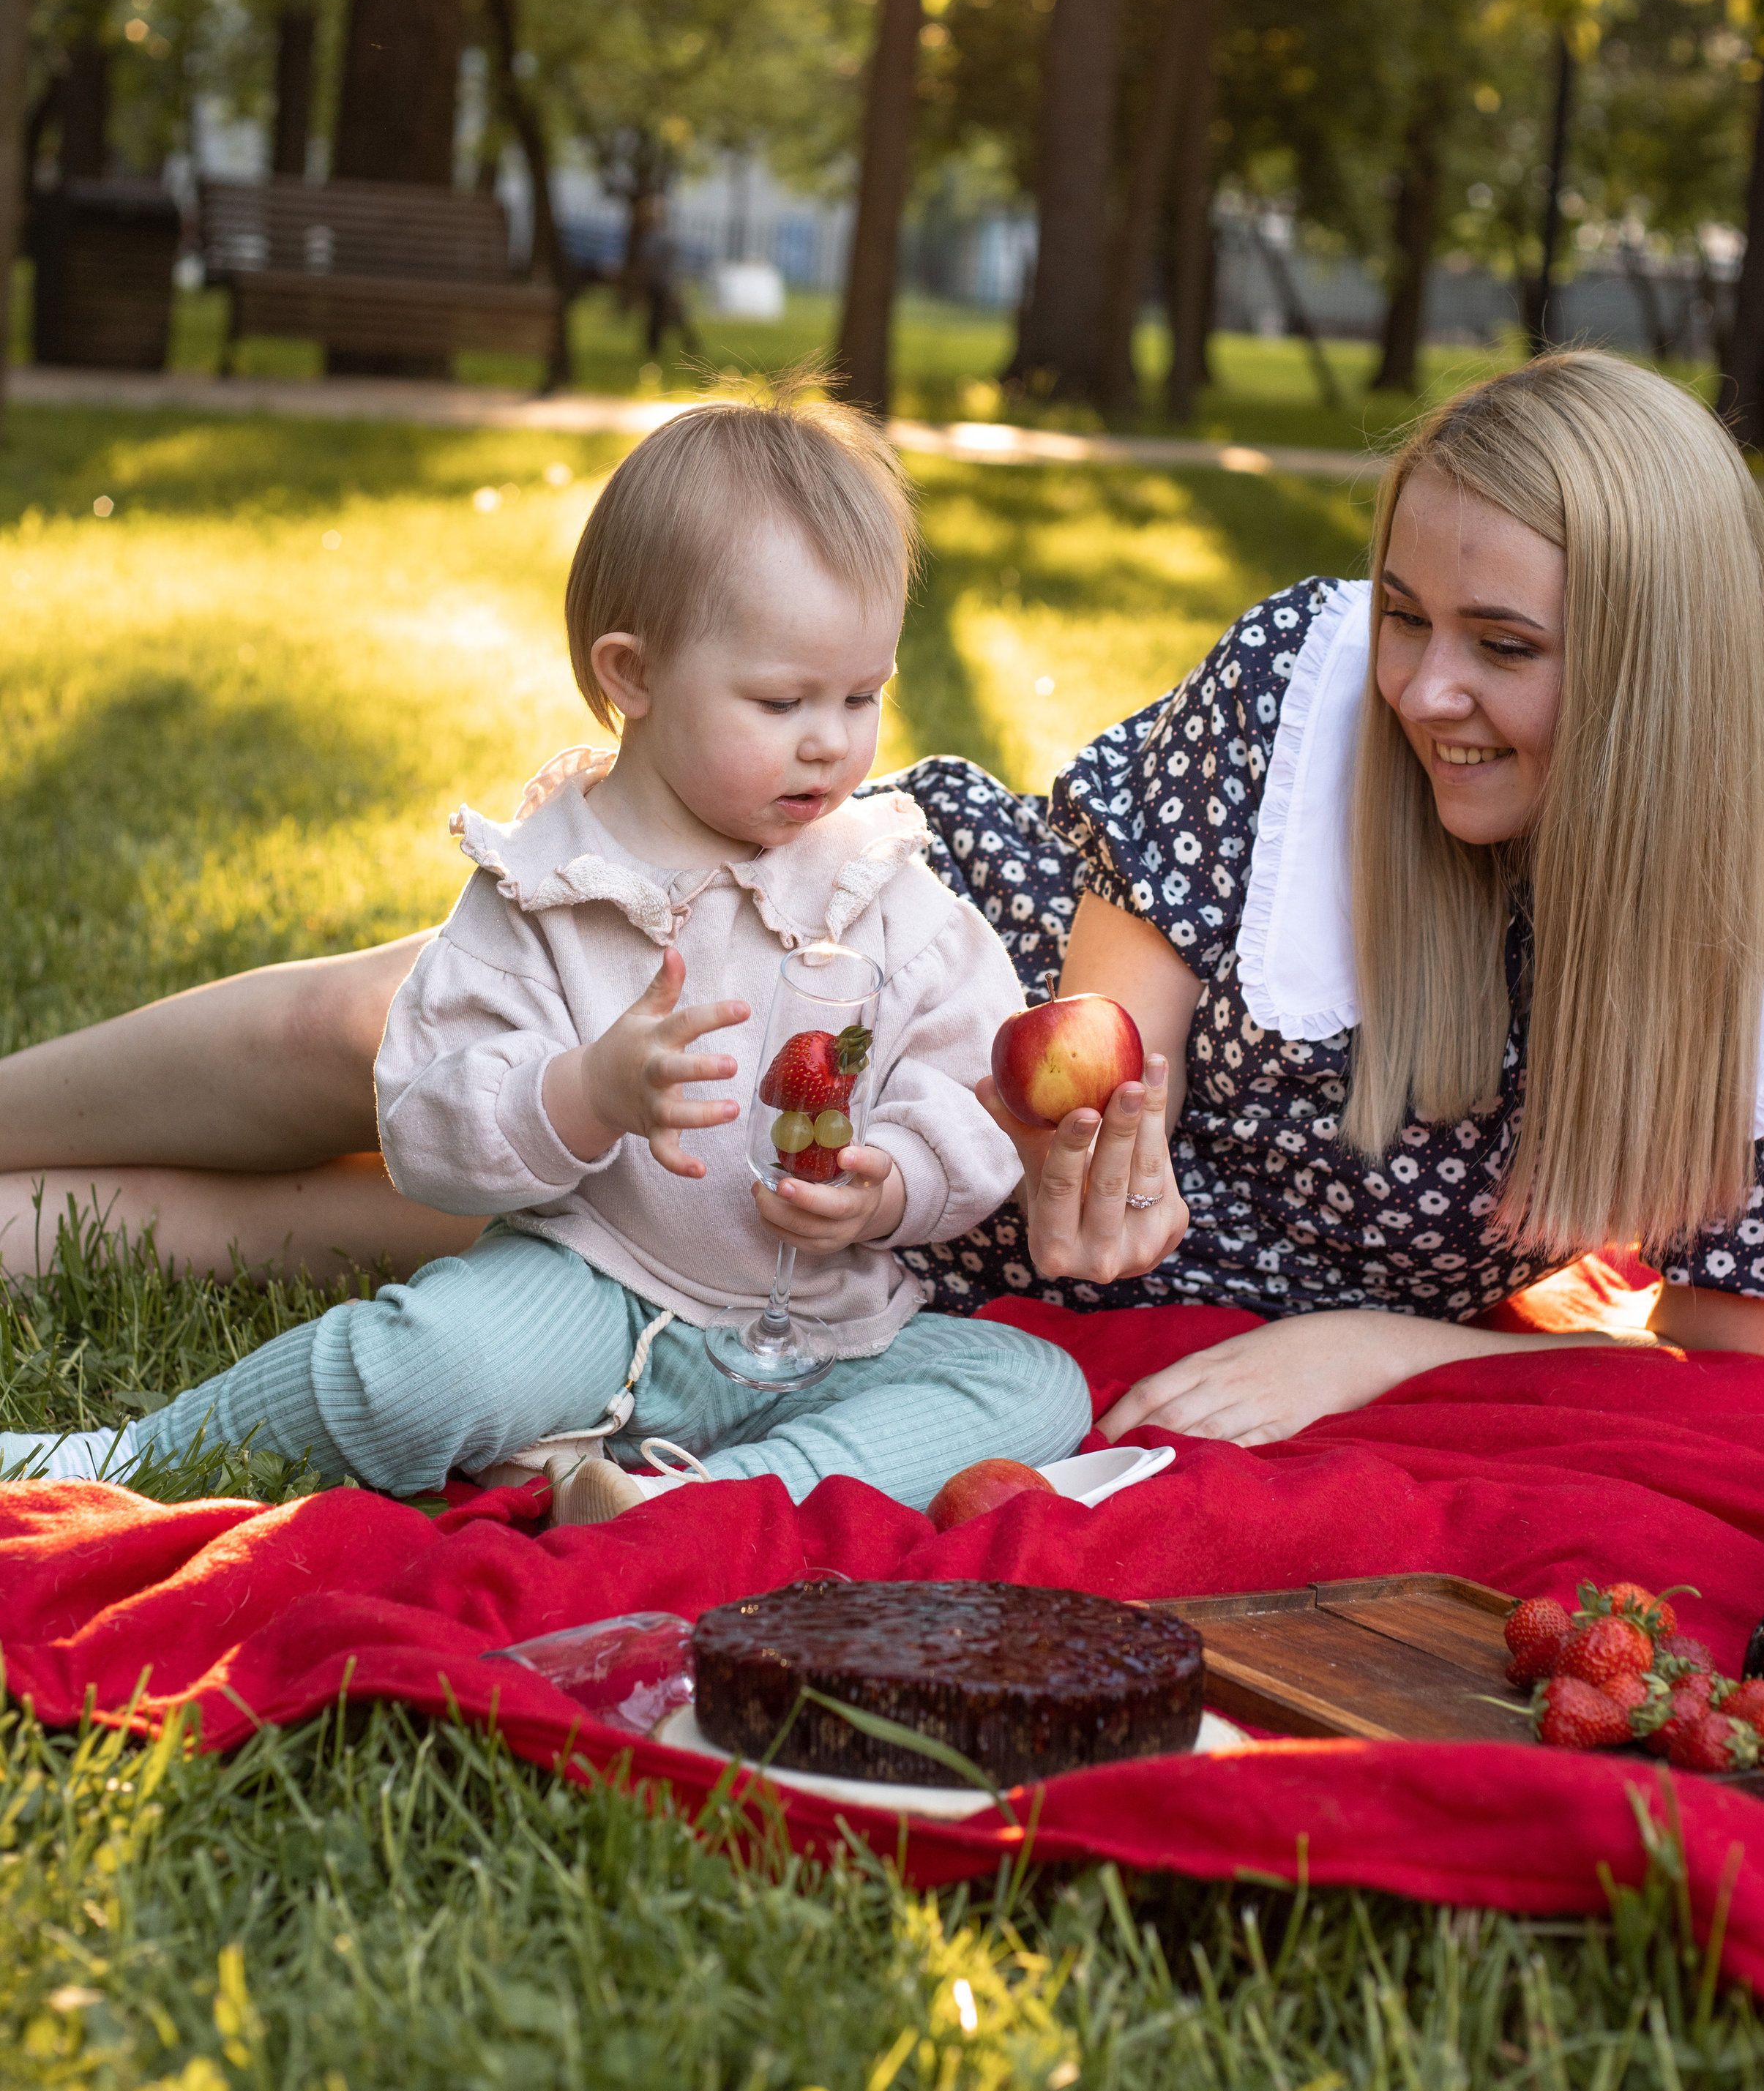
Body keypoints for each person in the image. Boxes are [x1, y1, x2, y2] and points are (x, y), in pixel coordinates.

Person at [5, 354, 1764, 1449]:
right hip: (910, 1029)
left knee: (376, 1242)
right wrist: (1079, 1128)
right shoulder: (1311, 692)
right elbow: (1083, 1023)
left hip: (892, 1266)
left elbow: (1715, 1381)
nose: (1419, 686)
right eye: (1407, 612)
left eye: (1503, 645)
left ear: (1657, 674)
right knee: (372, 1042)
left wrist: (1390, 1344)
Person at [0, 399, 1091, 1513]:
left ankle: (698, 1505)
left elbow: (969, 1080)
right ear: (633, 675)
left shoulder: (879, 882)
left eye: (863, 696)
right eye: (781, 700)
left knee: (1033, 1389)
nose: (832, 738)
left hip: (827, 1323)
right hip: (591, 1282)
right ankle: (123, 1453)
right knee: (427, 1362)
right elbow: (430, 1128)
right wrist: (581, 1093)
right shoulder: (553, 887)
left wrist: (894, 1181)